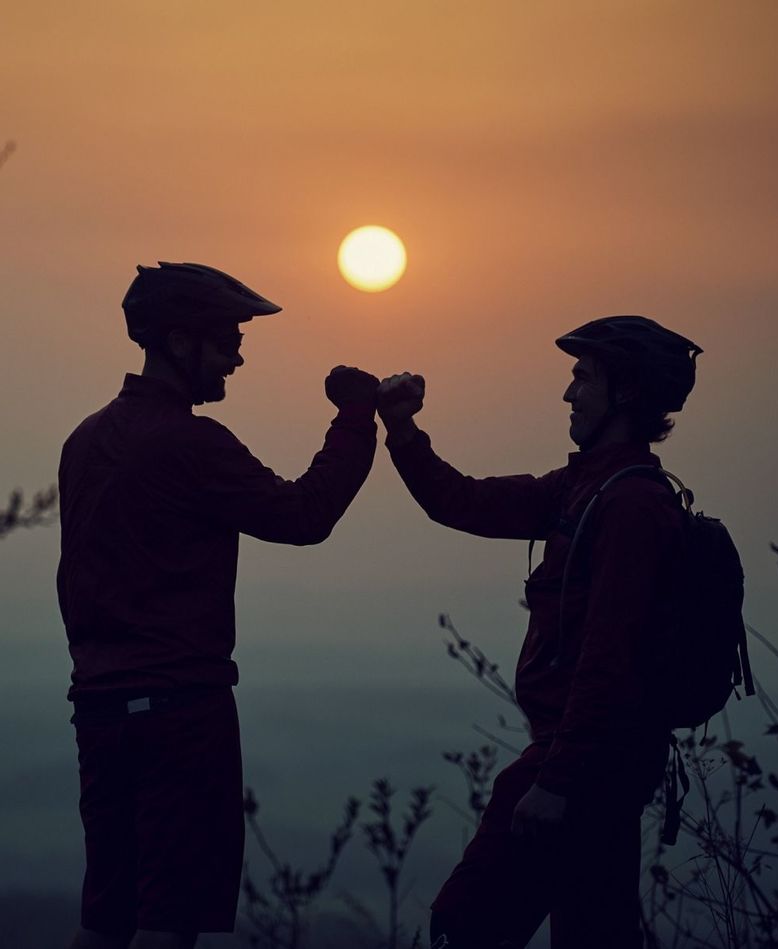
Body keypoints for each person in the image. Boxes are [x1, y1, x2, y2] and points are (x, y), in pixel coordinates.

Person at [58, 262, 380, 949]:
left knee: (105, 916)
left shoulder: (83, 442)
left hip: (99, 709)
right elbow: (304, 514)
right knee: (166, 922)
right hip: (180, 711)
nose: (239, 354)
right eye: (227, 338)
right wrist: (356, 420)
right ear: (180, 341)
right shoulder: (191, 444)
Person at [376, 316, 704, 949]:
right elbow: (460, 502)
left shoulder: (631, 507)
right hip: (594, 766)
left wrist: (555, 782)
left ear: (626, 392)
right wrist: (402, 427)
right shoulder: (582, 488)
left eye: (583, 377)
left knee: (466, 925)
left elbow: (609, 658)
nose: (568, 393)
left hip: (581, 769)